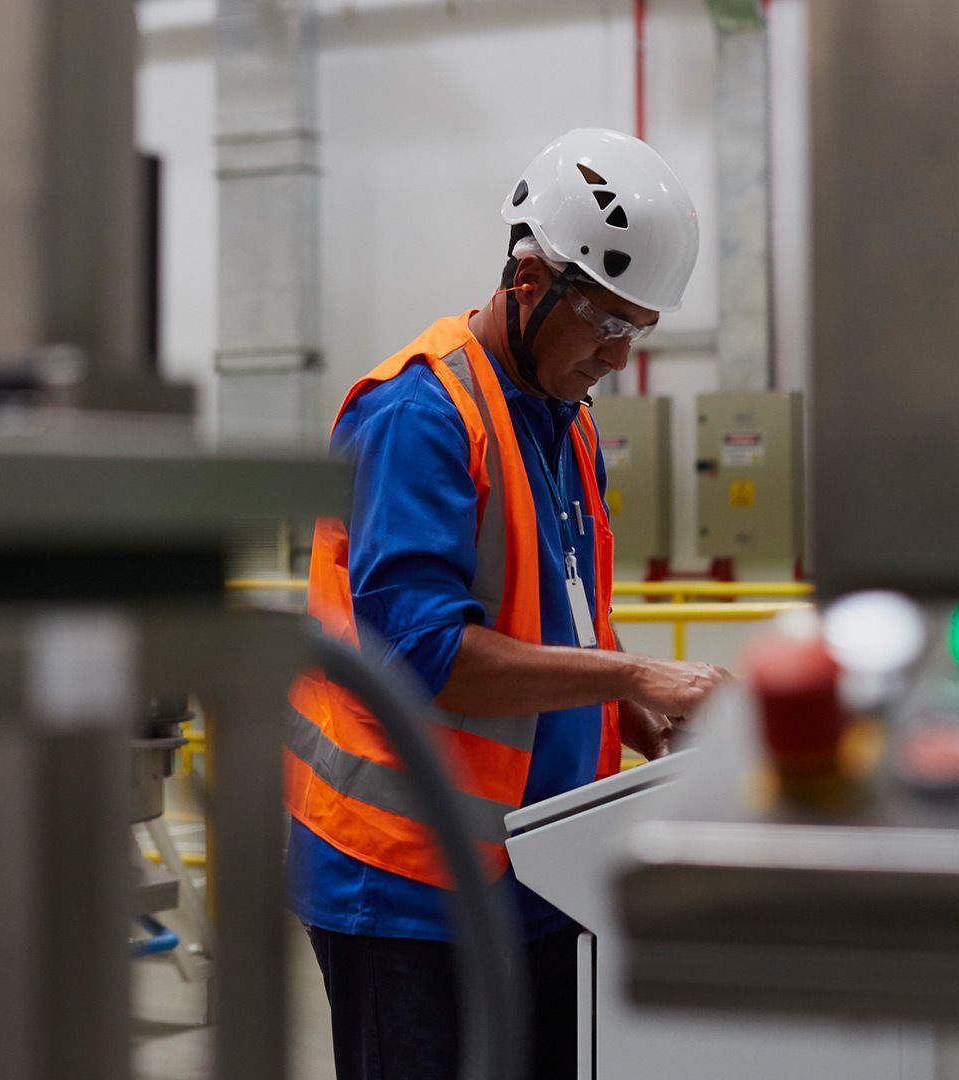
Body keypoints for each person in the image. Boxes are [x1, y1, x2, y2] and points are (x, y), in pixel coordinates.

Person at [285, 128, 731, 1080]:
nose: (620, 357)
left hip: (536, 870)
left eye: (638, 331)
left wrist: (633, 711)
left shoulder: (562, 423)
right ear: (530, 279)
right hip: (408, 882)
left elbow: (562, 615)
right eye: (608, 324)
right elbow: (422, 654)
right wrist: (638, 672)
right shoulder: (419, 415)